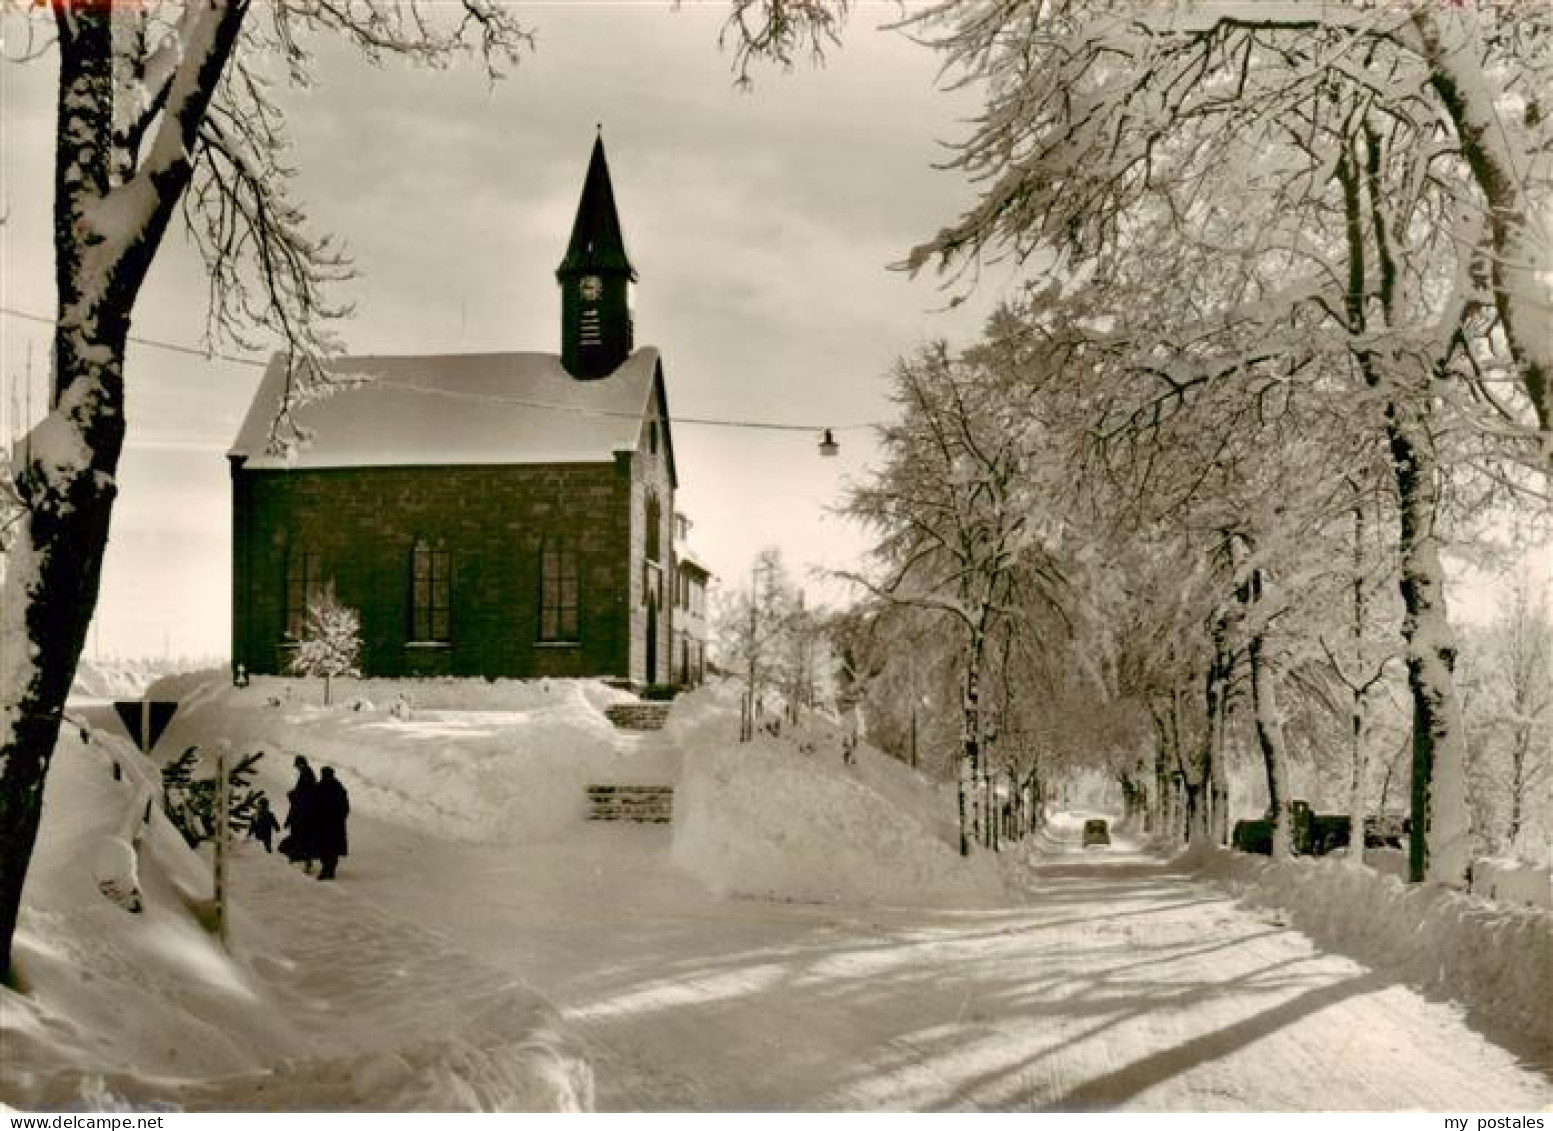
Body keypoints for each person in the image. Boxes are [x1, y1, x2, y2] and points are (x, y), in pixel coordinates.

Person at [312, 766, 350, 881]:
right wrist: (340, 818)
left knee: (325, 848)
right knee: (332, 848)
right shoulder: (339, 787)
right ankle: (330, 870)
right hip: (335, 824)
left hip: (324, 824)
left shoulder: (320, 787)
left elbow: (314, 804)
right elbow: (346, 807)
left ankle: (326, 870)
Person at [283, 755, 318, 872]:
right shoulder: (307, 774)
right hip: (305, 812)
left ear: (301, 764)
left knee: (302, 837)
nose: (297, 768)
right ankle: (302, 860)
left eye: (298, 765)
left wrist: (293, 795)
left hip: (304, 813)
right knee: (302, 837)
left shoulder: (307, 775)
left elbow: (305, 794)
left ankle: (303, 861)